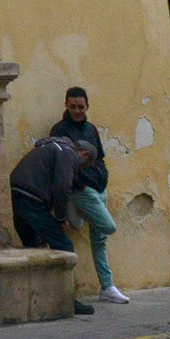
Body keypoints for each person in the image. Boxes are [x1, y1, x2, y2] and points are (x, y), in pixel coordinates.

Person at [50, 87, 129, 304]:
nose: (77, 110)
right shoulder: (59, 130)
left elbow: (100, 157)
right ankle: (75, 215)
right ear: (66, 105)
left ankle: (107, 287)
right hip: (82, 190)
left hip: (99, 186)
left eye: (81, 107)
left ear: (87, 107)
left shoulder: (91, 129)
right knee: (108, 227)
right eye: (73, 106)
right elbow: (61, 167)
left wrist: (103, 176)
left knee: (99, 240)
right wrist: (80, 186)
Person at [8, 132, 99, 315]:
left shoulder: (51, 147)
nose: (79, 171)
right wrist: (60, 218)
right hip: (31, 198)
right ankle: (67, 300)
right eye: (83, 167)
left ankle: (38, 300)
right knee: (64, 245)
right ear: (85, 155)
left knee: (35, 248)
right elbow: (62, 186)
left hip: (16, 194)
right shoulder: (67, 153)